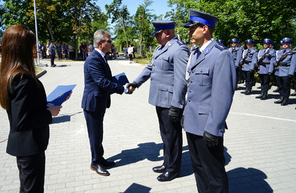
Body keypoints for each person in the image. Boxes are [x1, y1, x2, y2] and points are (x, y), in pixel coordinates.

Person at [0, 24, 65, 193]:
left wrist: (50, 102)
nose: (36, 49)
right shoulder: (22, 78)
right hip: (29, 147)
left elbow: (26, 107)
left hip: (27, 146)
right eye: (32, 45)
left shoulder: (13, 73)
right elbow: (21, 121)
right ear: (22, 48)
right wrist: (49, 113)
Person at [127, 20, 189, 182]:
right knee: (165, 134)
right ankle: (167, 162)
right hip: (160, 99)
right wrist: (135, 83)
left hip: (170, 102)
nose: (155, 37)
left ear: (167, 33)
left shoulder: (179, 50)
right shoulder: (160, 49)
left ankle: (173, 169)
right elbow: (149, 68)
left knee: (173, 136)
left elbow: (181, 80)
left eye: (157, 33)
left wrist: (177, 105)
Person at [182, 10, 236, 193]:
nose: (189, 33)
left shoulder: (221, 55)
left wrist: (214, 128)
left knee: (214, 173)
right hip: (191, 123)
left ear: (205, 29)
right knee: (198, 169)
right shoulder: (196, 53)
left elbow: (223, 96)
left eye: (192, 29)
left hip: (207, 127)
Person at [81, 29, 130, 177]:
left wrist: (120, 82)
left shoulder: (101, 57)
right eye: (109, 41)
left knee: (98, 133)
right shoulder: (94, 58)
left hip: (99, 102)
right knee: (95, 134)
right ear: (101, 43)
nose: (111, 43)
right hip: (92, 103)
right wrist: (123, 89)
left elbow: (105, 79)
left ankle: (100, 158)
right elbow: (102, 82)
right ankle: (95, 162)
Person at [273, 37, 296, 106]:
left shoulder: (292, 52)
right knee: (280, 85)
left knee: (286, 86)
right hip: (278, 71)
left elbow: (293, 63)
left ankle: (286, 98)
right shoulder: (279, 52)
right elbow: (276, 59)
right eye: (284, 43)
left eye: (286, 44)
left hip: (286, 71)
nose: (285, 45)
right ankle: (281, 97)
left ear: (289, 45)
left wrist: (291, 73)